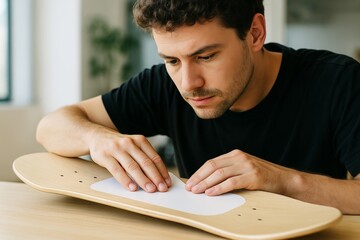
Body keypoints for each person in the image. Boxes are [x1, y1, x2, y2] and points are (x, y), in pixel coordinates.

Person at [36, 0, 360, 214]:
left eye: (206, 56)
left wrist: (285, 181)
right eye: (172, 60)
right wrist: (98, 139)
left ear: (255, 33)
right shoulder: (165, 84)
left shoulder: (337, 81)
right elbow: (52, 126)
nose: (188, 83)